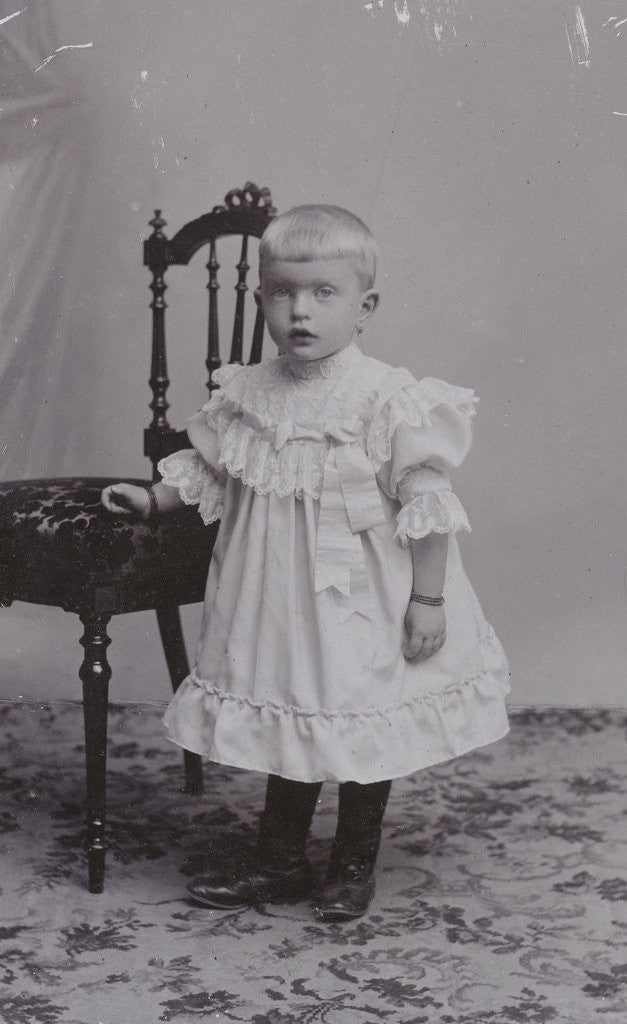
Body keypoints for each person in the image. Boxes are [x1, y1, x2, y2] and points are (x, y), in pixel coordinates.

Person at [101, 204, 510, 922]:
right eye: (283, 293)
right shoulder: (249, 395)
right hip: (274, 592)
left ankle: (352, 861)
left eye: (324, 294)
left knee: (358, 710)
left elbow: (427, 502)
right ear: (260, 299)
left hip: (363, 592)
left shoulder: (387, 398)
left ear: (364, 307)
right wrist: (152, 497)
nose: (300, 311)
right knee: (294, 706)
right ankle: (279, 861)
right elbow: (213, 469)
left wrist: (429, 598)